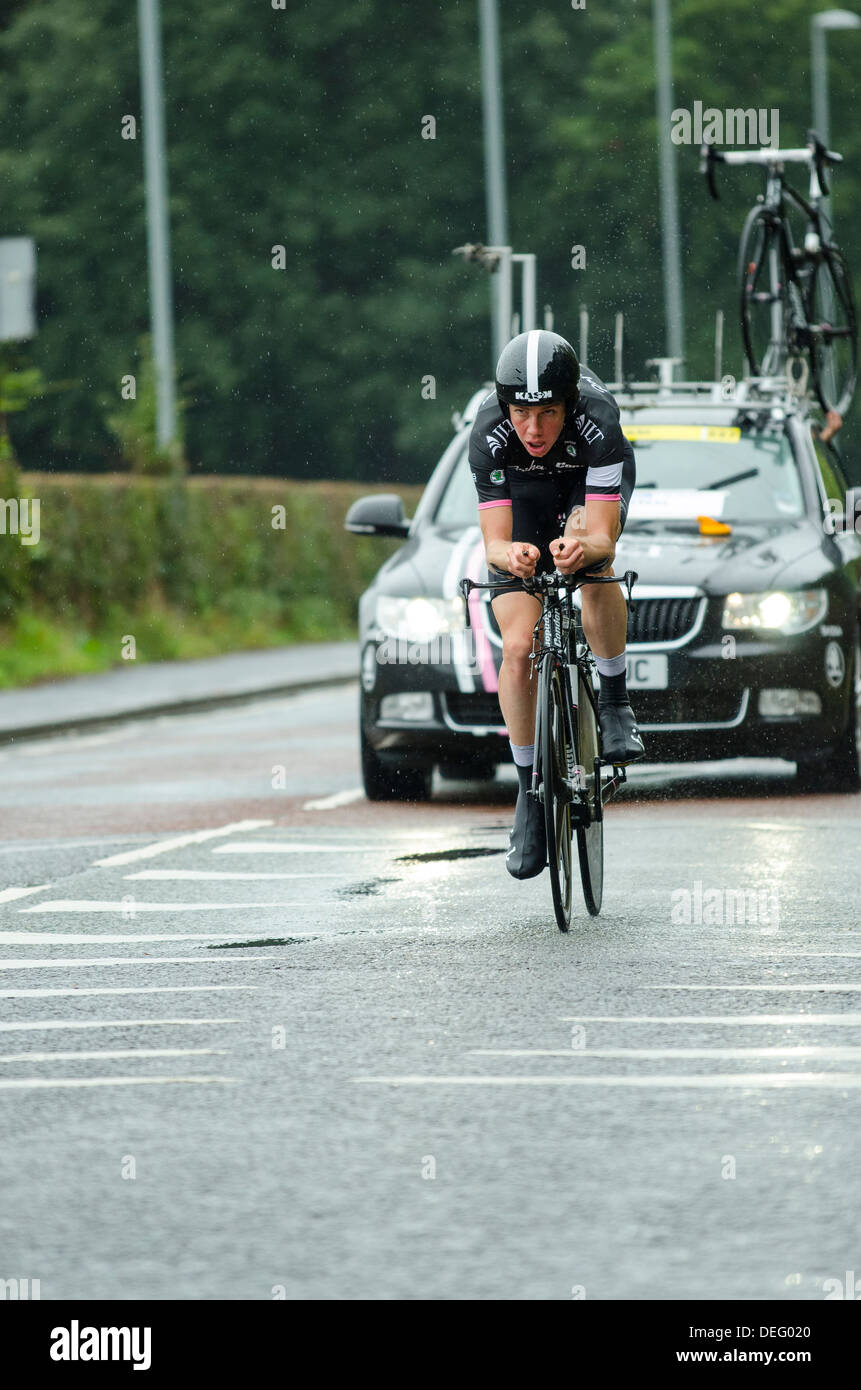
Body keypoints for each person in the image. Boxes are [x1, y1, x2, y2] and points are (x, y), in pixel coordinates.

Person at [468, 329, 644, 880]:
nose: (534, 428)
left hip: (580, 496)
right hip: (523, 500)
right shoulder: (489, 434)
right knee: (519, 646)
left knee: (591, 569)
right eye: (522, 412)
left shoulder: (599, 421)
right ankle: (528, 793)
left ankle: (614, 702)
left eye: (547, 412)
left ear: (568, 403)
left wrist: (580, 547)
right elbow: (494, 543)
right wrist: (514, 553)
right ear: (506, 407)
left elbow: (603, 537)